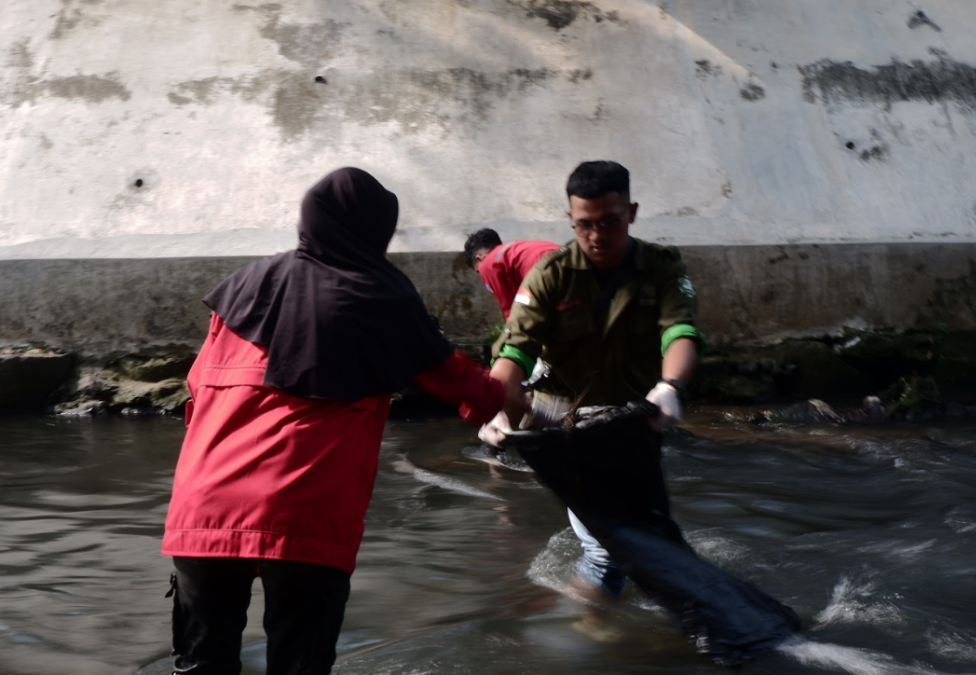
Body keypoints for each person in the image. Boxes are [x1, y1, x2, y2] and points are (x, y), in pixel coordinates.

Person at [162, 167, 509, 675]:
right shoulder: (381, 294)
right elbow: (467, 388)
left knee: (200, 666)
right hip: (304, 514)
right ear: (375, 230)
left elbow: (196, 391)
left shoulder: (245, 285)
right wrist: (518, 395)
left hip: (203, 507)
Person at [483, 160, 705, 600]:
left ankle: (607, 627)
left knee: (644, 533)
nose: (597, 236)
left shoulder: (661, 267)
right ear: (570, 219)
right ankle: (585, 634)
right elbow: (514, 352)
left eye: (610, 222)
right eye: (584, 225)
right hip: (567, 426)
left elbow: (679, 332)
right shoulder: (550, 276)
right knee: (605, 549)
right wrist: (499, 406)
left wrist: (671, 388)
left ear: (632, 212)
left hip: (635, 422)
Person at [463, 228, 560, 320]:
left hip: (549, 274)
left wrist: (510, 333)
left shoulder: (487, 263)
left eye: (478, 271)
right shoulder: (517, 248)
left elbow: (510, 310)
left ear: (480, 258)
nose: (482, 274)